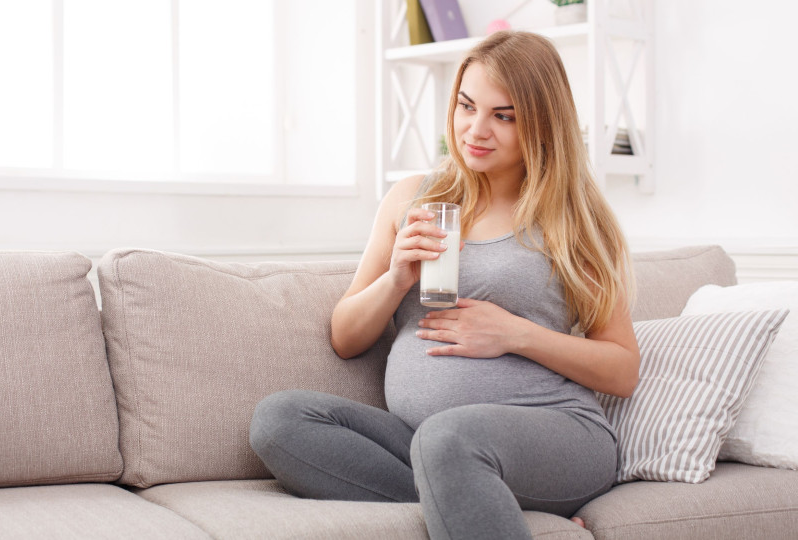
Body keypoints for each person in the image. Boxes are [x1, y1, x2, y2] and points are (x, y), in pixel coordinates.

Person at [249, 30, 640, 540]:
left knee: (448, 440)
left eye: (504, 116)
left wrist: (515, 334)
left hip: (557, 431)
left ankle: (470, 483)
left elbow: (623, 369)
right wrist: (396, 278)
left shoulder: (571, 219)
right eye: (466, 106)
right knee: (280, 420)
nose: (476, 129)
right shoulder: (414, 198)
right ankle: (474, 495)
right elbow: (346, 337)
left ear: (542, 124)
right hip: (424, 440)